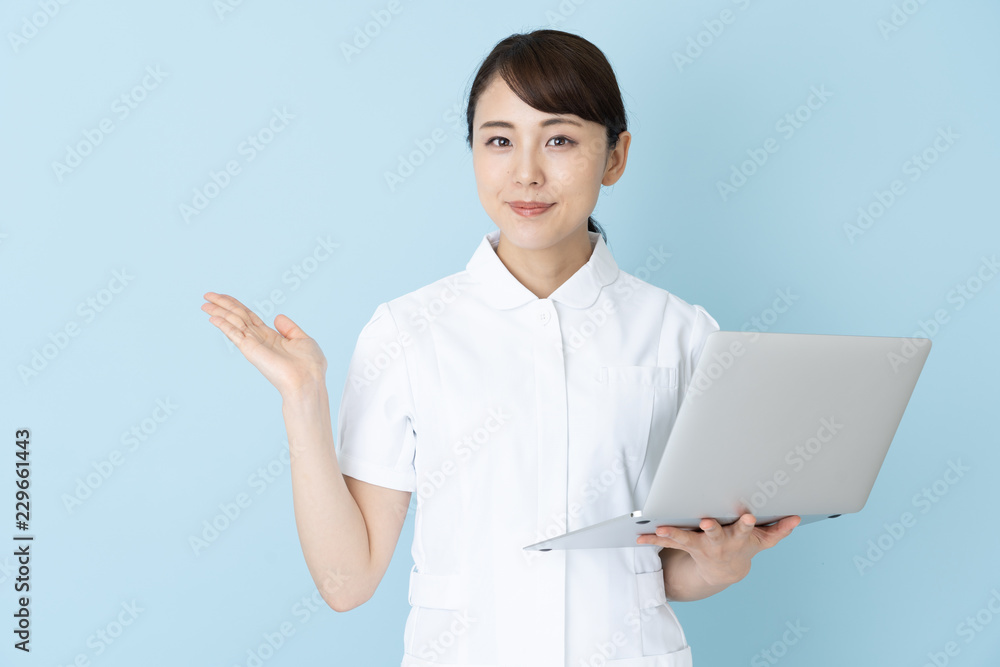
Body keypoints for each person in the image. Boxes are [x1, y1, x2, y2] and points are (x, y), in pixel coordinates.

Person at [202, 28, 799, 667]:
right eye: (499, 140)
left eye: (560, 140)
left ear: (615, 157)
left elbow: (669, 567)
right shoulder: (407, 332)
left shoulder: (682, 333)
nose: (526, 172)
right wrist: (303, 397)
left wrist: (724, 564)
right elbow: (348, 583)